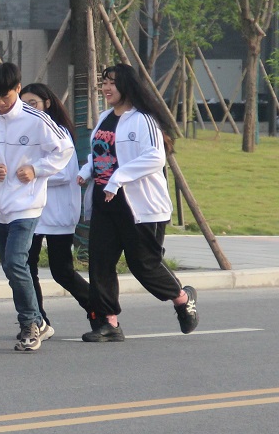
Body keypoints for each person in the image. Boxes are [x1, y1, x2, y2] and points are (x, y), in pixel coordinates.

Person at [78, 64, 200, 341]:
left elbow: (155, 157)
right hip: (105, 201)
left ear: (127, 85)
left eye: (112, 83)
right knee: (100, 263)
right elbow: (99, 154)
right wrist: (86, 171)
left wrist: (118, 178)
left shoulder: (143, 120)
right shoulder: (105, 117)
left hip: (139, 206)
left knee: (144, 265)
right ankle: (109, 322)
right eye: (104, 83)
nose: (106, 88)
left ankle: (182, 299)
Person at [0, 62, 76, 352]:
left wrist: (36, 169)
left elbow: (64, 150)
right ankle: (39, 321)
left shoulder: (37, 119)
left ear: (18, 89)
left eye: (6, 96)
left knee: (15, 262)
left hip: (28, 204)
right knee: (10, 266)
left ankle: (30, 323)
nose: (1, 103)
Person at [21, 82, 94, 336]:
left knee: (62, 271)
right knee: (26, 267)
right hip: (31, 211)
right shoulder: (25, 132)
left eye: (33, 104)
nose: (29, 109)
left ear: (47, 103)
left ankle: (98, 309)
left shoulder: (58, 131)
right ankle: (37, 320)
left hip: (58, 212)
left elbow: (64, 173)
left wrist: (31, 173)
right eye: (24, 105)